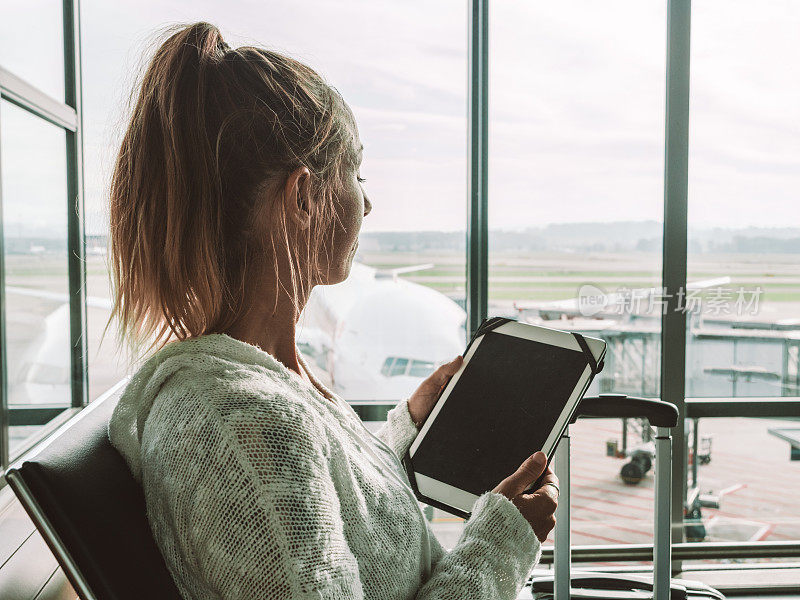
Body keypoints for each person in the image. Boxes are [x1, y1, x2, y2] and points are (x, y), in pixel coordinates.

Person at [107, 21, 558, 600]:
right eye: (356, 172)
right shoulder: (243, 425)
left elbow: (323, 526)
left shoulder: (267, 385)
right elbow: (277, 496)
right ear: (303, 197)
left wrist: (405, 436)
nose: (367, 201)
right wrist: (502, 545)